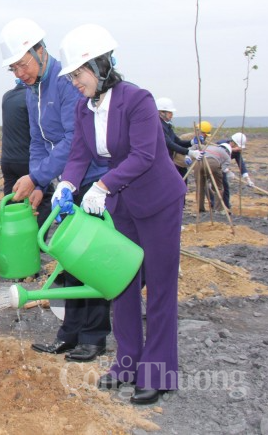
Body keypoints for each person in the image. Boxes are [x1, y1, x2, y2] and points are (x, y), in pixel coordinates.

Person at [54, 24, 185, 405]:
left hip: (158, 201)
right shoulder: (84, 108)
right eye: (72, 76)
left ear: (100, 65)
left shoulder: (137, 100)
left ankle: (157, 372)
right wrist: (67, 184)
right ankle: (127, 363)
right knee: (121, 282)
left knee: (160, 285)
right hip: (121, 207)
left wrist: (103, 185)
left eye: (78, 74)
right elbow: (79, 154)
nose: (75, 82)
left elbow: (145, 155)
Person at [0, 18, 110, 363]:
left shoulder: (65, 82)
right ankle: (70, 334)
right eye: (13, 67)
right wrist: (40, 180)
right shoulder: (32, 93)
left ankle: (93, 337)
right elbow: (38, 141)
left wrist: (37, 178)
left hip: (91, 181)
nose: (19, 73)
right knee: (69, 258)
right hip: (65, 185)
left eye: (22, 63)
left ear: (40, 51)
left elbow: (73, 140)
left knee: (89, 258)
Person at [155, 97, 201, 179]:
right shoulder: (158, 126)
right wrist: (190, 152)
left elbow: (177, 141)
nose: (172, 115)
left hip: (167, 160)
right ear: (161, 112)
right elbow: (169, 144)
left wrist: (191, 142)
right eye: (170, 112)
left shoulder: (167, 126)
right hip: (159, 162)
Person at [0, 74, 30, 196]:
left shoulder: (7, 97)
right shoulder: (30, 97)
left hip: (7, 160)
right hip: (26, 160)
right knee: (42, 198)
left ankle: (7, 215)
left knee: (10, 198)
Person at [216, 132, 253, 210]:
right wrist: (227, 171)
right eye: (238, 146)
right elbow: (216, 159)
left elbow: (241, 164)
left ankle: (226, 206)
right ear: (233, 142)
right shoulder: (220, 145)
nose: (239, 149)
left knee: (225, 186)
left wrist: (247, 179)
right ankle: (214, 206)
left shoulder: (237, 152)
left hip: (222, 168)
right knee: (213, 187)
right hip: (211, 166)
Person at [192, 141, 232, 213]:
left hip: (199, 163)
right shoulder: (226, 154)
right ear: (227, 151)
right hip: (213, 163)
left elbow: (195, 146)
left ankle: (200, 208)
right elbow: (221, 170)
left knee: (200, 187)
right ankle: (218, 209)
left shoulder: (208, 147)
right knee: (218, 187)